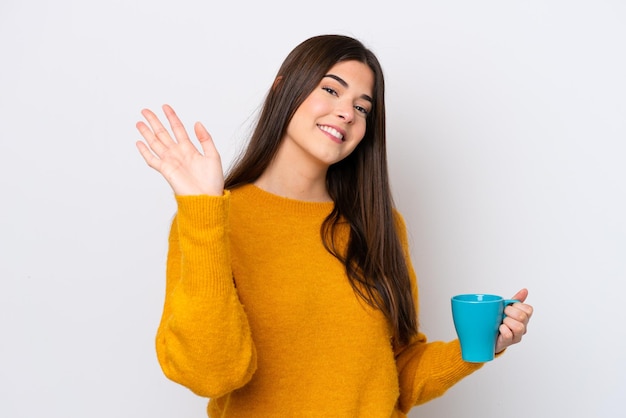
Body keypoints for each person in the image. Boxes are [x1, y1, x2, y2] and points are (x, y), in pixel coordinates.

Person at [135, 34, 533, 418]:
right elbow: (212, 374)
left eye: (362, 108)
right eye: (331, 90)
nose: (347, 112)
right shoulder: (213, 220)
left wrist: (477, 347)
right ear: (282, 89)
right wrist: (201, 209)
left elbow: (396, 378)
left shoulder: (381, 225)